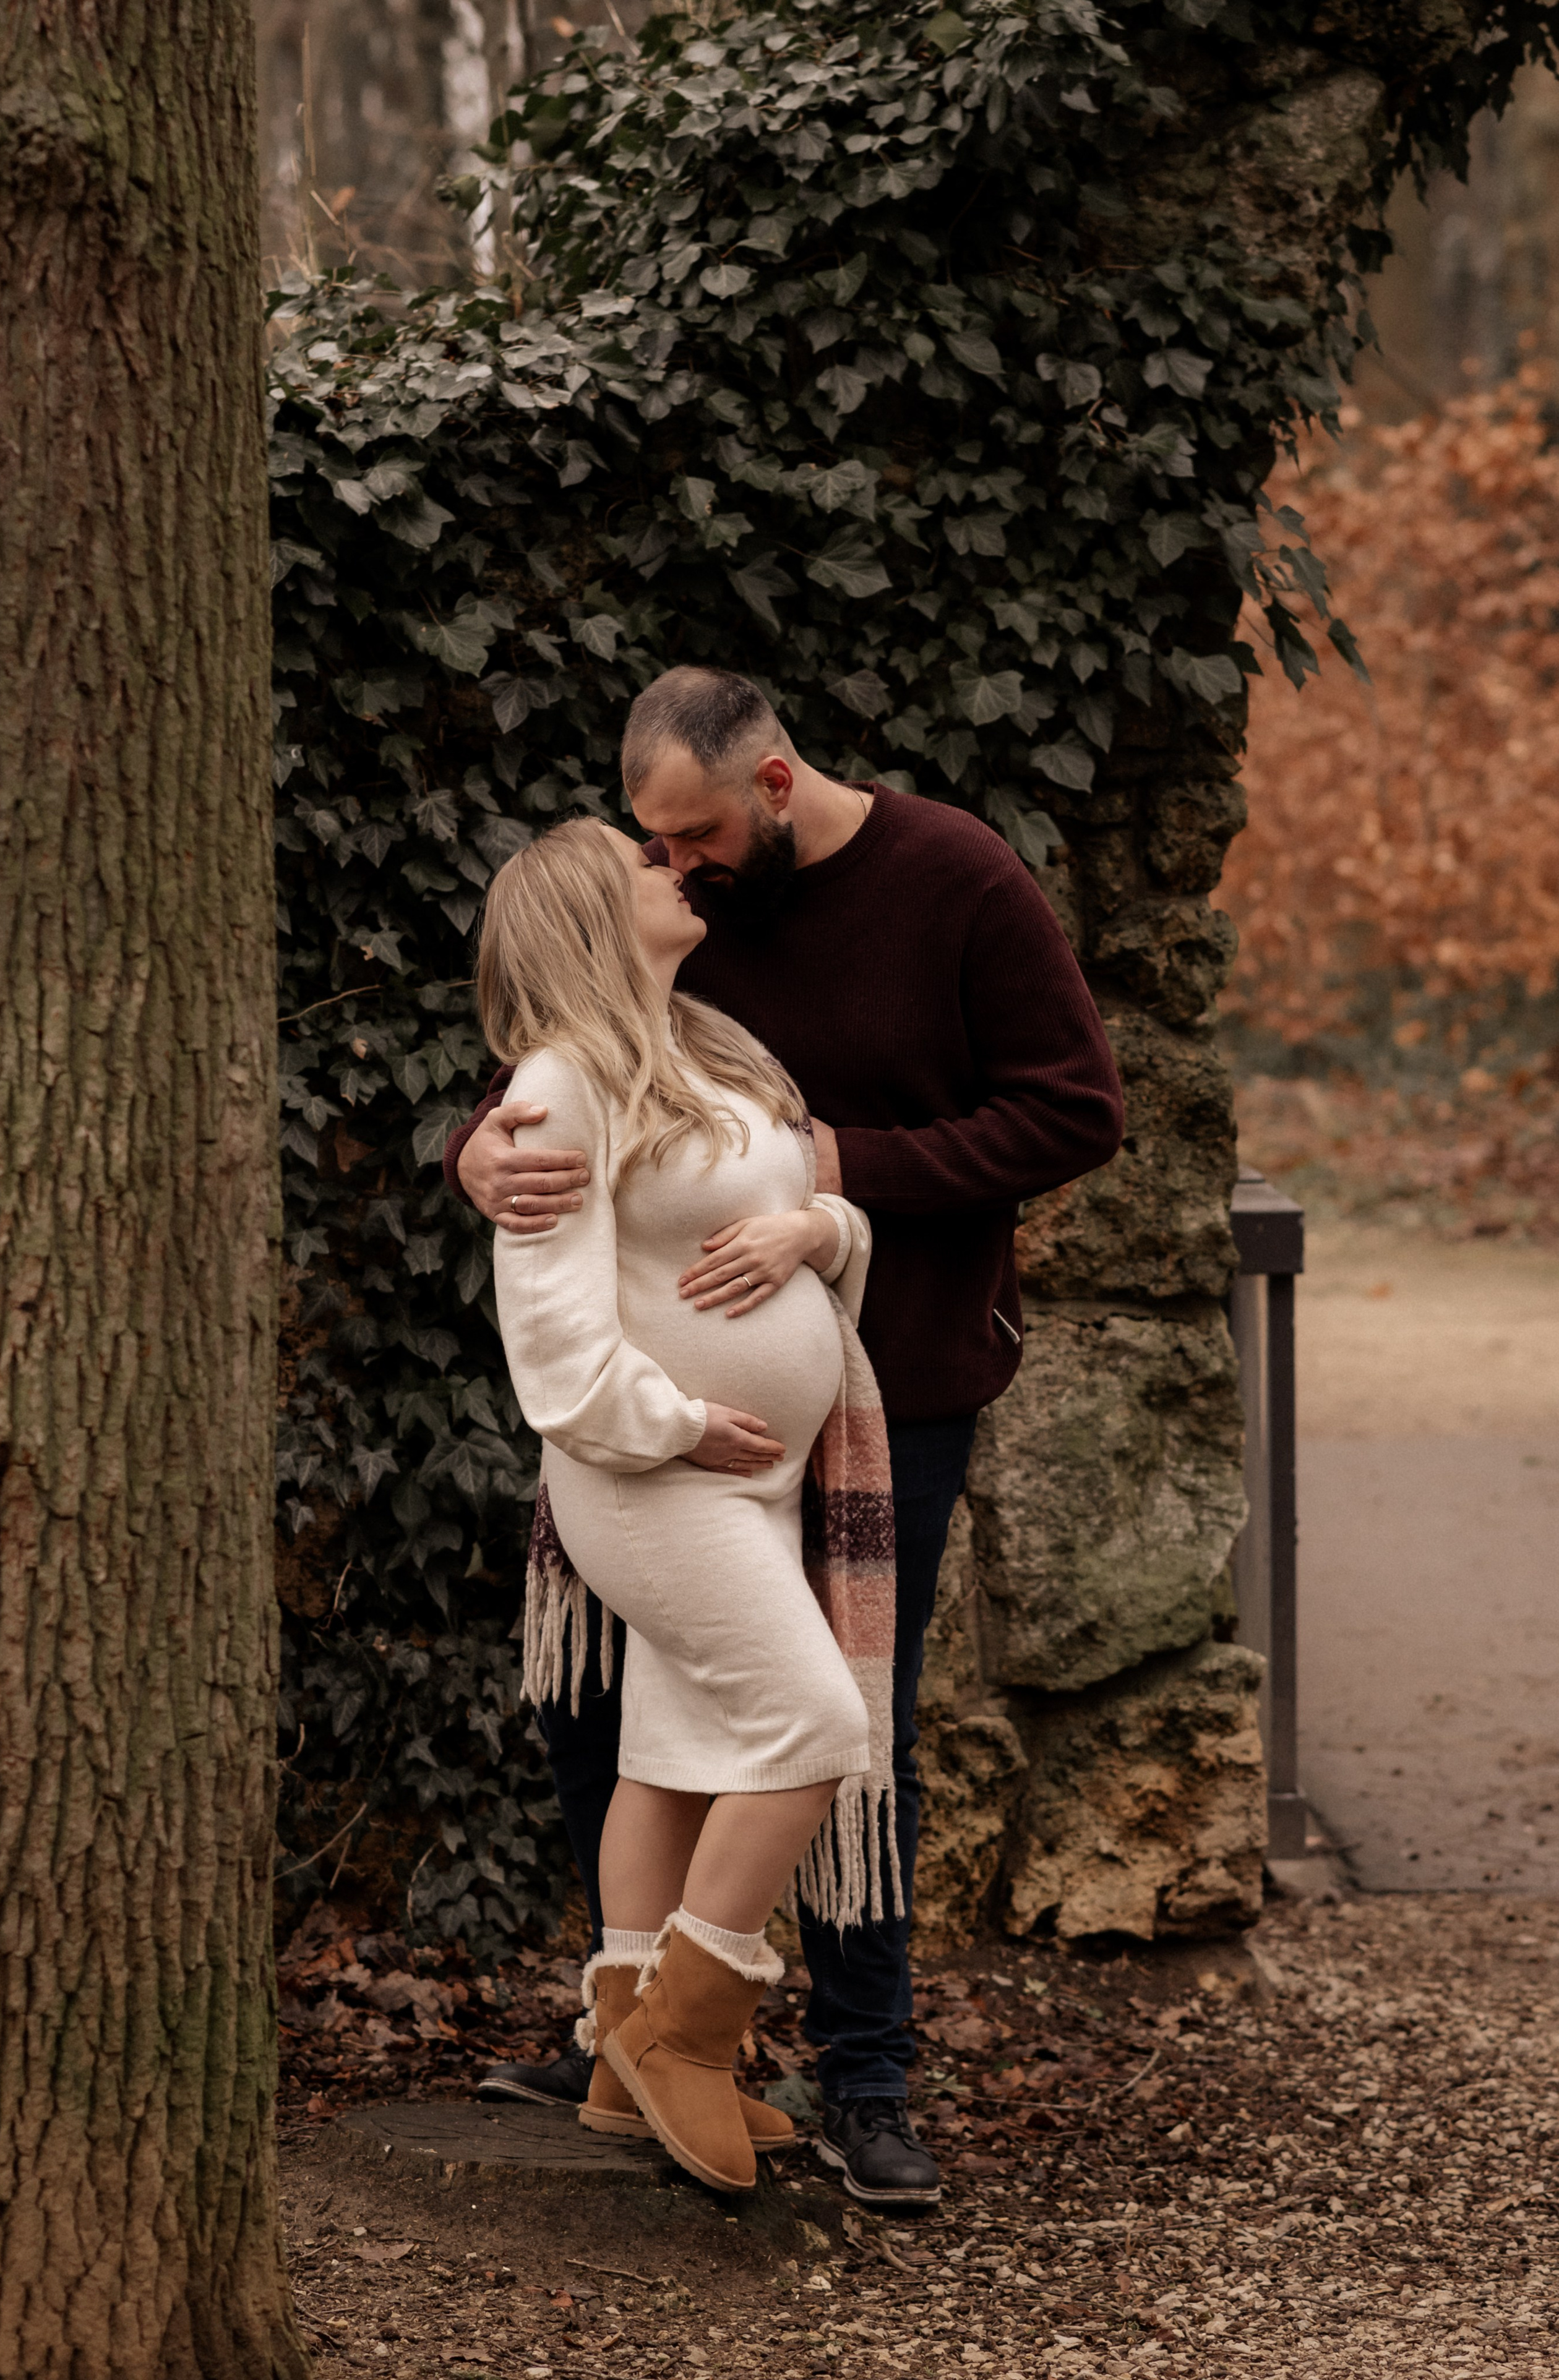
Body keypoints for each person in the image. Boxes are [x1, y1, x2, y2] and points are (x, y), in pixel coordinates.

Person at [448, 666, 1125, 2204]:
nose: (670, 865)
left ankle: (865, 2067)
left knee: (845, 1724)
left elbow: (1074, 1108)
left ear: (768, 785)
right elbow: (563, 1079)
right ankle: (642, 2028)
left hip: (902, 1379)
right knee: (632, 1721)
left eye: (687, 836)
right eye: (648, 846)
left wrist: (835, 1182)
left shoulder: (952, 877)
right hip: (672, 1444)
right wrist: (476, 1152)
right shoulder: (681, 920)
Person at [476, 814, 888, 2193]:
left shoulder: (708, 1049)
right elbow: (553, 1351)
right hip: (654, 1479)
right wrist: (678, 1421)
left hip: (751, 1476)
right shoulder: (555, 1092)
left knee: (667, 1749)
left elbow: (817, 1210)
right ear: (591, 911)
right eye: (641, 862)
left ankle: (614, 2056)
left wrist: (823, 1231)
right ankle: (688, 2042)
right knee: (816, 1719)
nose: (675, 865)